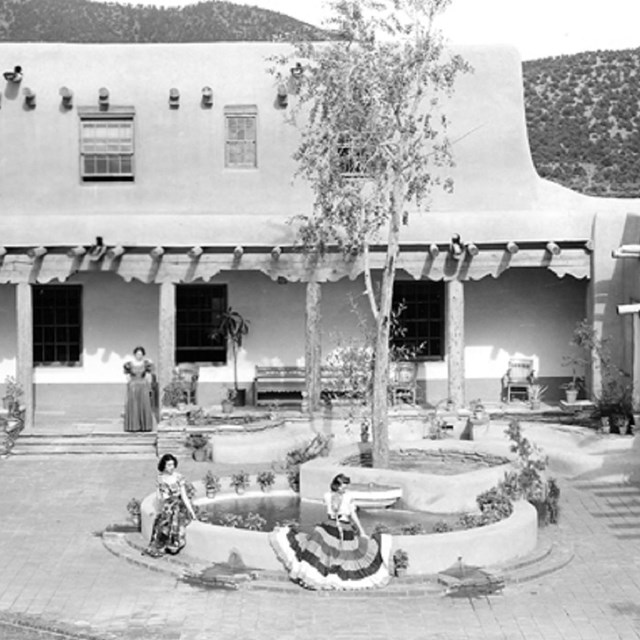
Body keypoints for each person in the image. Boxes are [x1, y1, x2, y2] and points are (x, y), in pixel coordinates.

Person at [269, 473, 392, 590]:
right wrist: (360, 530)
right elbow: (348, 514)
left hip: (341, 527)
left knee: (337, 554)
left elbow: (352, 515)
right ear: (338, 485)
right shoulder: (330, 496)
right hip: (333, 526)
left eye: (346, 484)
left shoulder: (341, 496)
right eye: (344, 484)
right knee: (327, 552)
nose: (346, 487)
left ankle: (325, 577)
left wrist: (362, 532)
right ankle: (321, 577)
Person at [144, 453, 198, 558]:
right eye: (169, 465)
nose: (171, 467)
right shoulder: (160, 478)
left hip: (178, 505)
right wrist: (162, 494)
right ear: (164, 465)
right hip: (167, 506)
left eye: (173, 465)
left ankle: (173, 543)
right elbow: (159, 498)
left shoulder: (178, 477)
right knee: (162, 520)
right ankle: (159, 546)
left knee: (174, 515)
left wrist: (191, 511)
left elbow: (184, 496)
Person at [123, 345, 154, 432]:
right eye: (137, 354)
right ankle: (133, 426)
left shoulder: (146, 364)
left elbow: (149, 376)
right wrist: (130, 383)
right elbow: (127, 376)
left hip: (143, 386)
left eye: (140, 354)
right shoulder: (129, 364)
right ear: (134, 354)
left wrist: (149, 388)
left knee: (144, 404)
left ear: (143, 355)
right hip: (133, 387)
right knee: (134, 405)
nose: (139, 356)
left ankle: (145, 426)